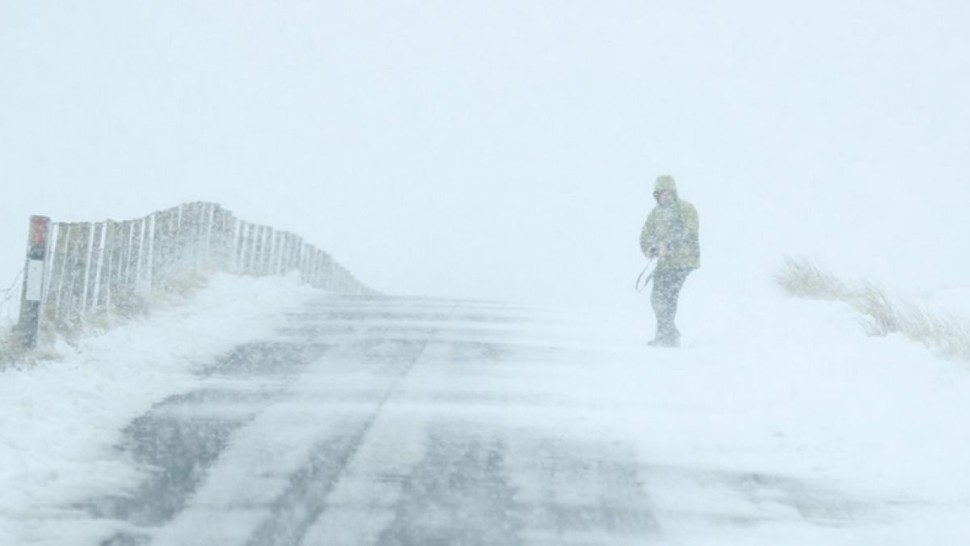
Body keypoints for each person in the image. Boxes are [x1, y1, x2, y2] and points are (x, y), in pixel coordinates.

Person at [639, 175, 700, 347]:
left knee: (668, 295)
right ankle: (667, 333)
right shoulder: (655, 214)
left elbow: (690, 233)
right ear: (656, 195)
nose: (665, 195)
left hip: (684, 262)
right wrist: (652, 248)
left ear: (674, 192)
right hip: (665, 263)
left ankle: (667, 335)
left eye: (668, 192)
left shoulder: (686, 209)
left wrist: (669, 245)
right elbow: (644, 236)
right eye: (661, 193)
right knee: (656, 297)